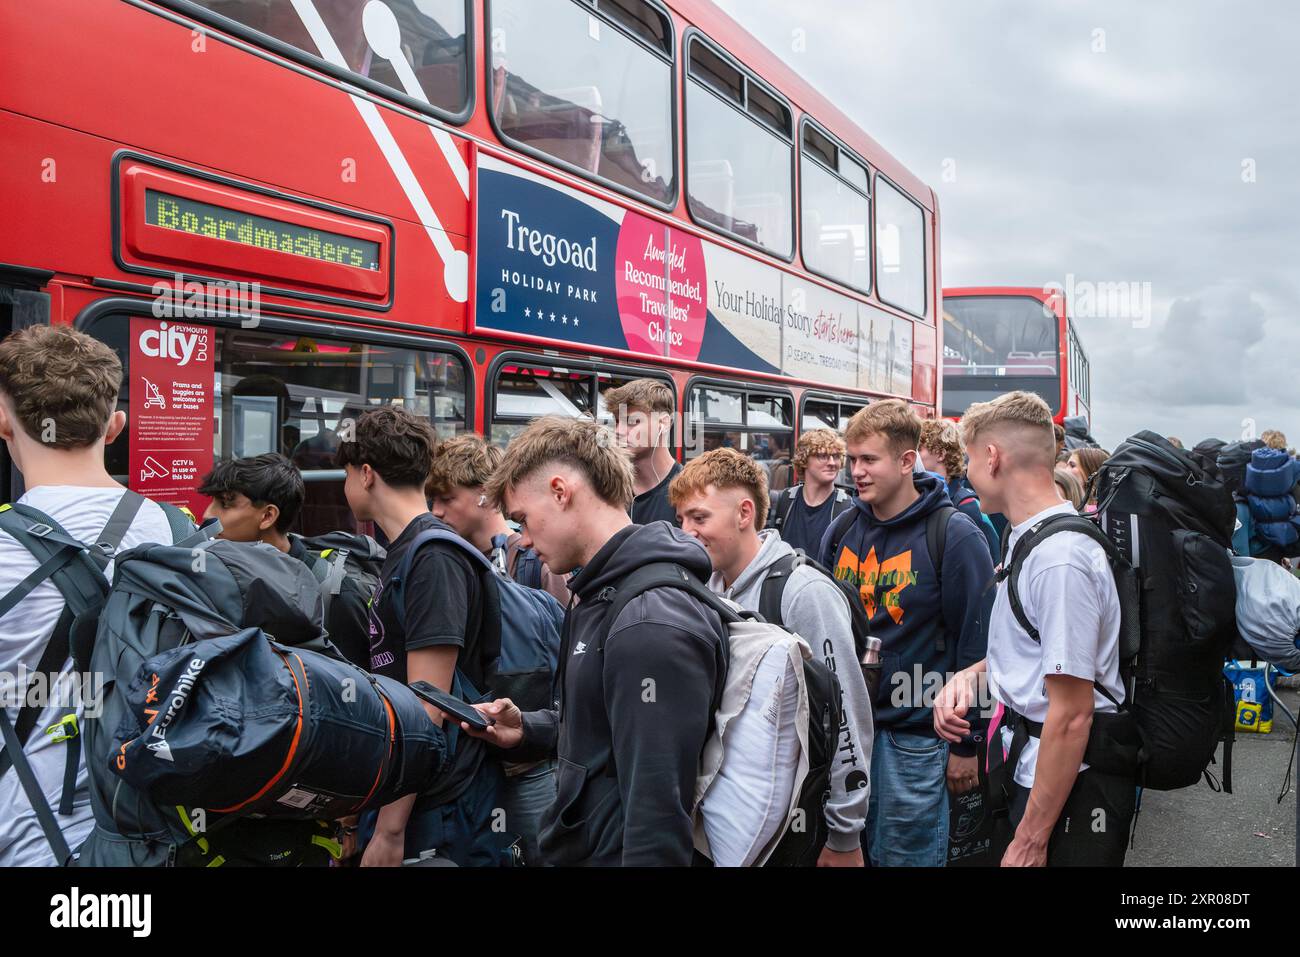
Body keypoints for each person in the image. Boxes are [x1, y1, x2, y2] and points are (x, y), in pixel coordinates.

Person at [466, 415, 728, 866]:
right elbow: (607, 731)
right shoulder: (599, 593)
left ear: (561, 491)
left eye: (524, 520)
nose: (523, 540)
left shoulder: (648, 622)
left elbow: (657, 817)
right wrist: (529, 729)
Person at [0, 325, 183, 866]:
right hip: (151, 839)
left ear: (4, 422)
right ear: (116, 426)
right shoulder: (181, 533)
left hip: (28, 843)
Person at [934, 391, 1134, 866]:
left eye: (968, 458)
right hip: (1030, 771)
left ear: (992, 456)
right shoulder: (1030, 538)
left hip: (1068, 790)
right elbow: (1036, 647)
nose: (966, 471)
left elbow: (1072, 713)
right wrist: (973, 675)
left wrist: (1031, 838)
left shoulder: (1059, 560)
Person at [669, 448, 873, 866]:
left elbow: (847, 717)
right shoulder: (706, 586)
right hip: (733, 826)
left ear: (745, 513)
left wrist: (844, 835)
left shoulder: (803, 593)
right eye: (682, 520)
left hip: (799, 831)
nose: (686, 531)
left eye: (700, 517)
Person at [818, 400, 994, 867]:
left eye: (868, 459)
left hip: (916, 743)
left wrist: (966, 744)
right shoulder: (842, 530)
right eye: (852, 458)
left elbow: (978, 646)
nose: (855, 471)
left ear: (905, 460)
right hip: (846, 738)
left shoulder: (954, 535)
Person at [337, 406, 510, 867]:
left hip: (437, 804)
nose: (346, 484)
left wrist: (390, 831)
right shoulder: (406, 551)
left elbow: (426, 707)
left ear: (367, 474)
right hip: (410, 790)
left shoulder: (433, 557)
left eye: (348, 472)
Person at [425, 432, 566, 866]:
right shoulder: (451, 564)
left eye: (447, 498)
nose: (437, 511)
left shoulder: (539, 559)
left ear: (486, 496)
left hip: (531, 763)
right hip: (477, 768)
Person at [427, 434, 570, 605]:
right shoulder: (446, 559)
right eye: (432, 501)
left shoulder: (540, 563)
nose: (436, 511)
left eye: (446, 499)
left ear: (484, 493)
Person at [603, 378, 682, 525]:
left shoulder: (687, 491)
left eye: (632, 421)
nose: (618, 431)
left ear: (663, 423)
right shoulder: (608, 486)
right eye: (617, 421)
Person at [919, 418, 1000, 560]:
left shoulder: (967, 505)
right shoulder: (924, 498)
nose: (915, 456)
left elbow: (993, 561)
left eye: (919, 449)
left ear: (940, 454)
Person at [767, 428, 853, 556]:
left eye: (835, 456)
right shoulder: (785, 500)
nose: (831, 463)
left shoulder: (847, 508)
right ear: (804, 460)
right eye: (822, 456)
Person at [1064, 447, 1109, 512]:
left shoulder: (1097, 513)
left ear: (1090, 471)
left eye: (1072, 465)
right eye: (1066, 465)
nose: (1065, 470)